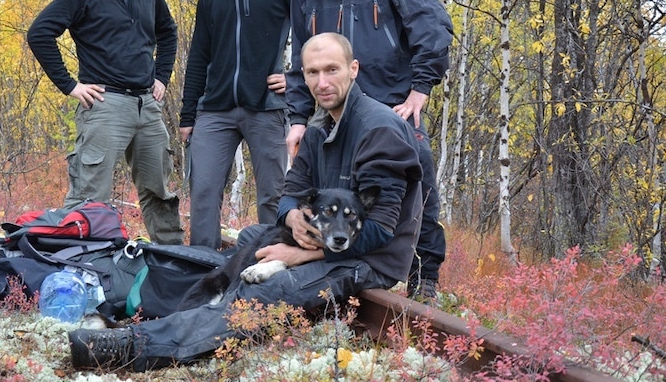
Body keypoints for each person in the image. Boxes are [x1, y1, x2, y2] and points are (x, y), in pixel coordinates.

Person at [69, 33, 424, 371]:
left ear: (353, 69)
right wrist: (291, 221)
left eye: (332, 70)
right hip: (324, 241)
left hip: (369, 260)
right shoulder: (318, 129)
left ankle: (130, 346)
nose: (322, 82)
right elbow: (290, 195)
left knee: (262, 289)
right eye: (312, 73)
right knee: (252, 241)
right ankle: (176, 310)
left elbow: (379, 231)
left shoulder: (379, 130)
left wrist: (301, 254)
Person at [286, 0, 454, 302]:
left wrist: (420, 88)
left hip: (392, 100)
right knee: (342, 193)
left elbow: (430, 23)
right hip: (334, 109)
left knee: (419, 185)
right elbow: (300, 57)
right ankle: (345, 266)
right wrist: (296, 117)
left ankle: (424, 276)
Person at [27, 0, 183, 245]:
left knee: (159, 190)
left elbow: (168, 34)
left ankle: (172, 261)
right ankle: (82, 267)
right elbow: (40, 33)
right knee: (90, 196)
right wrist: (70, 85)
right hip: (104, 104)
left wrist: (161, 77)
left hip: (147, 105)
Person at [179, 0, 295, 249]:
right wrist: (188, 115)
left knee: (272, 195)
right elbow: (199, 55)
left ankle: (271, 268)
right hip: (215, 109)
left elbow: (314, 31)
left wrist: (297, 77)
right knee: (203, 189)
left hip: (266, 107)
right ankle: (201, 266)